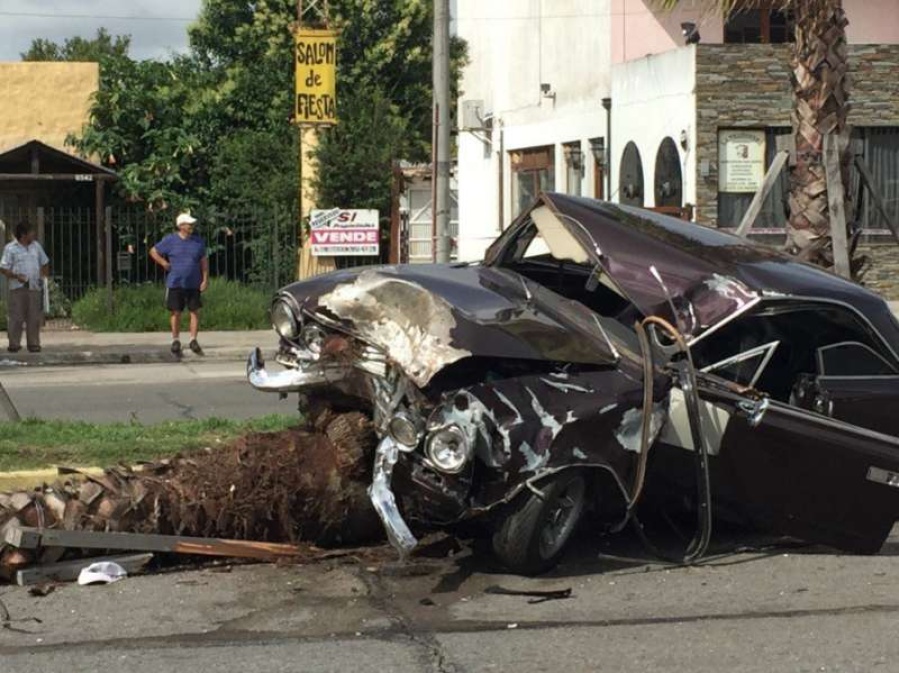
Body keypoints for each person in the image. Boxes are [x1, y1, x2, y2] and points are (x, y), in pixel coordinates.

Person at [149, 211, 209, 355]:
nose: (191, 226)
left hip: (193, 282)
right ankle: (175, 339)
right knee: (176, 312)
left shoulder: (198, 242)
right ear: (181, 226)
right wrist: (163, 262)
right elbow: (153, 251)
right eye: (189, 224)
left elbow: (203, 261)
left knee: (194, 311)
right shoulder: (170, 240)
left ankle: (193, 339)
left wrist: (205, 279)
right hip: (176, 282)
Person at [0, 222, 50, 353]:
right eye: (31, 232)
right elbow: (4, 268)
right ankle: (14, 344)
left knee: (34, 317)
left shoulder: (36, 247)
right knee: (16, 316)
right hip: (18, 287)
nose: (33, 234)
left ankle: (33, 344)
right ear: (23, 234)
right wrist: (16, 276)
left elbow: (44, 262)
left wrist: (43, 278)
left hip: (34, 287)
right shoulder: (11, 248)